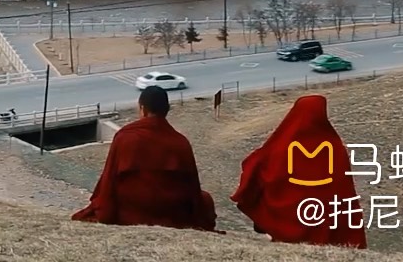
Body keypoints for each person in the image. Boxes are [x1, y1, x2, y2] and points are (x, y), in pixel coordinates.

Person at [71, 86, 217, 232]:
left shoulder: (125, 137)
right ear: (166, 110)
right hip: (172, 214)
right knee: (206, 198)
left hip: (131, 213)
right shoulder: (181, 142)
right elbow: (192, 188)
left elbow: (109, 181)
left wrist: (103, 210)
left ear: (143, 109)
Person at [231, 95, 367, 249]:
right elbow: (343, 189)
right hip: (324, 218)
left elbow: (259, 165)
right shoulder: (335, 147)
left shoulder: (281, 145)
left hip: (289, 217)